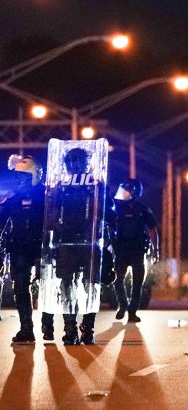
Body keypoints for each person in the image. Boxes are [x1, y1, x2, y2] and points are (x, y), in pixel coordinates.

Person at [43, 147, 112, 346]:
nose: (74, 165)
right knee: (66, 284)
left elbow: (110, 212)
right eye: (71, 161)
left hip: (89, 241)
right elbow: (50, 212)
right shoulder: (60, 187)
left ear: (86, 163)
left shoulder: (96, 186)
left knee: (91, 285)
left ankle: (87, 327)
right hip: (66, 241)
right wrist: (52, 226)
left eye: (77, 161)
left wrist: (102, 223)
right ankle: (70, 327)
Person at [2, 156, 45, 344]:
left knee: (48, 287)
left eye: (24, 176)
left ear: (34, 176)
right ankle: (26, 328)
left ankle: (50, 325)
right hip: (19, 247)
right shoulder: (13, 198)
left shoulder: (46, 195)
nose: (20, 180)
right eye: (18, 176)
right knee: (20, 288)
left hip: (42, 248)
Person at [111, 178, 159, 324]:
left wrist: (156, 250)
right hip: (120, 249)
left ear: (134, 192)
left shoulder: (143, 209)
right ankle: (123, 304)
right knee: (117, 279)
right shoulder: (116, 208)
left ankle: (132, 312)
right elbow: (108, 226)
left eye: (126, 191)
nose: (122, 194)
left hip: (138, 250)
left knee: (138, 283)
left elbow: (152, 230)